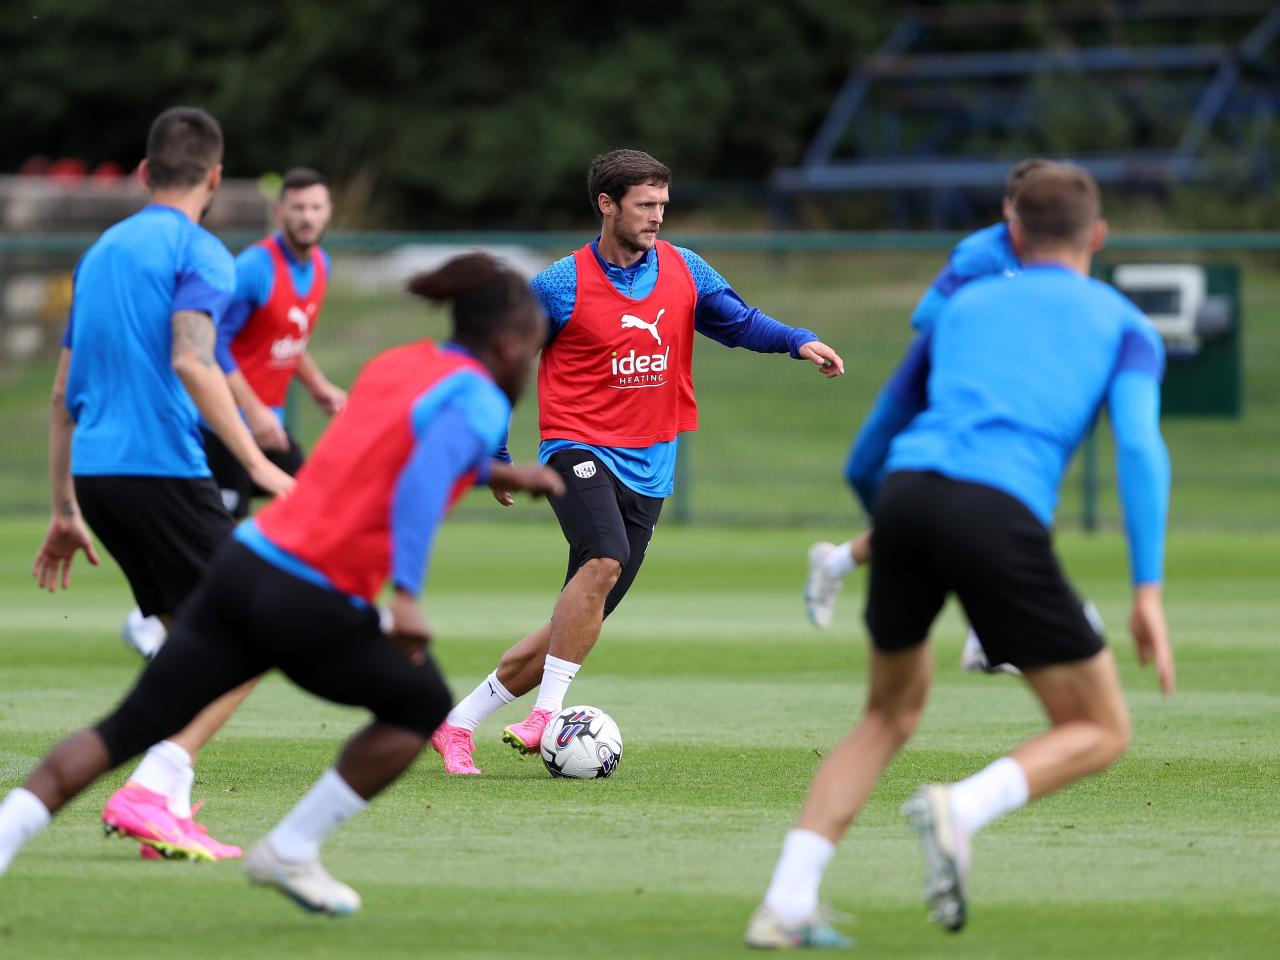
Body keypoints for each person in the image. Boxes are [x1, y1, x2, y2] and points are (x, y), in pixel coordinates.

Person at [2, 253, 564, 915]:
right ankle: (291, 848)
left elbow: (396, 448)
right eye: (535, 348)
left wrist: (505, 474)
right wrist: (407, 596)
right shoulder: (481, 398)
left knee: (125, 728)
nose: (531, 366)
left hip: (245, 563)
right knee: (418, 706)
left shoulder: (400, 363)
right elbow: (420, 480)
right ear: (508, 345)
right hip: (310, 591)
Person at [746, 163, 1174, 948]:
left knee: (886, 715)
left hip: (907, 495)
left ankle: (785, 903)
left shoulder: (964, 306)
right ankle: (961, 808)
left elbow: (867, 453)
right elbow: (1141, 448)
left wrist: (903, 529)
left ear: (1012, 231)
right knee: (1101, 728)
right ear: (1099, 238)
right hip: (996, 513)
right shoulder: (1126, 326)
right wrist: (1147, 590)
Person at [430, 148, 846, 775]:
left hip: (650, 464)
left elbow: (739, 323)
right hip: (576, 447)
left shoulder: (684, 268)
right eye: (645, 205)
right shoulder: (561, 284)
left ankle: (457, 724)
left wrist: (798, 341)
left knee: (575, 619)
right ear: (607, 204)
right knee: (604, 558)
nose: (657, 217)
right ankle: (546, 717)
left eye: (662, 205)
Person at [30, 106, 295, 862]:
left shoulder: (100, 252)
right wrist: (258, 464)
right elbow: (192, 359)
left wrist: (64, 508)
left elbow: (61, 395)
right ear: (215, 177)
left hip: (97, 478)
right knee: (260, 629)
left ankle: (167, 808)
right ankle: (153, 785)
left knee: (193, 638)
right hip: (161, 470)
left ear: (146, 173)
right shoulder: (201, 251)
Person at [803, 158, 1053, 675]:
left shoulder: (1055, 263)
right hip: (933, 390)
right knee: (873, 479)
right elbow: (928, 316)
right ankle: (838, 562)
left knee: (970, 512)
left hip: (990, 410)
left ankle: (985, 638)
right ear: (1008, 208)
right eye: (1026, 209)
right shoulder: (983, 254)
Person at [122, 166, 346, 657]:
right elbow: (212, 341)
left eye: (315, 207)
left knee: (308, 505)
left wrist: (318, 387)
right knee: (214, 534)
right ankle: (147, 618)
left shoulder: (320, 265)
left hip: (266, 423)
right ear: (279, 211)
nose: (307, 217)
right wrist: (254, 409)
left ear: (328, 212)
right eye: (298, 208)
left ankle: (289, 606)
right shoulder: (253, 268)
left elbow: (287, 336)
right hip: (220, 423)